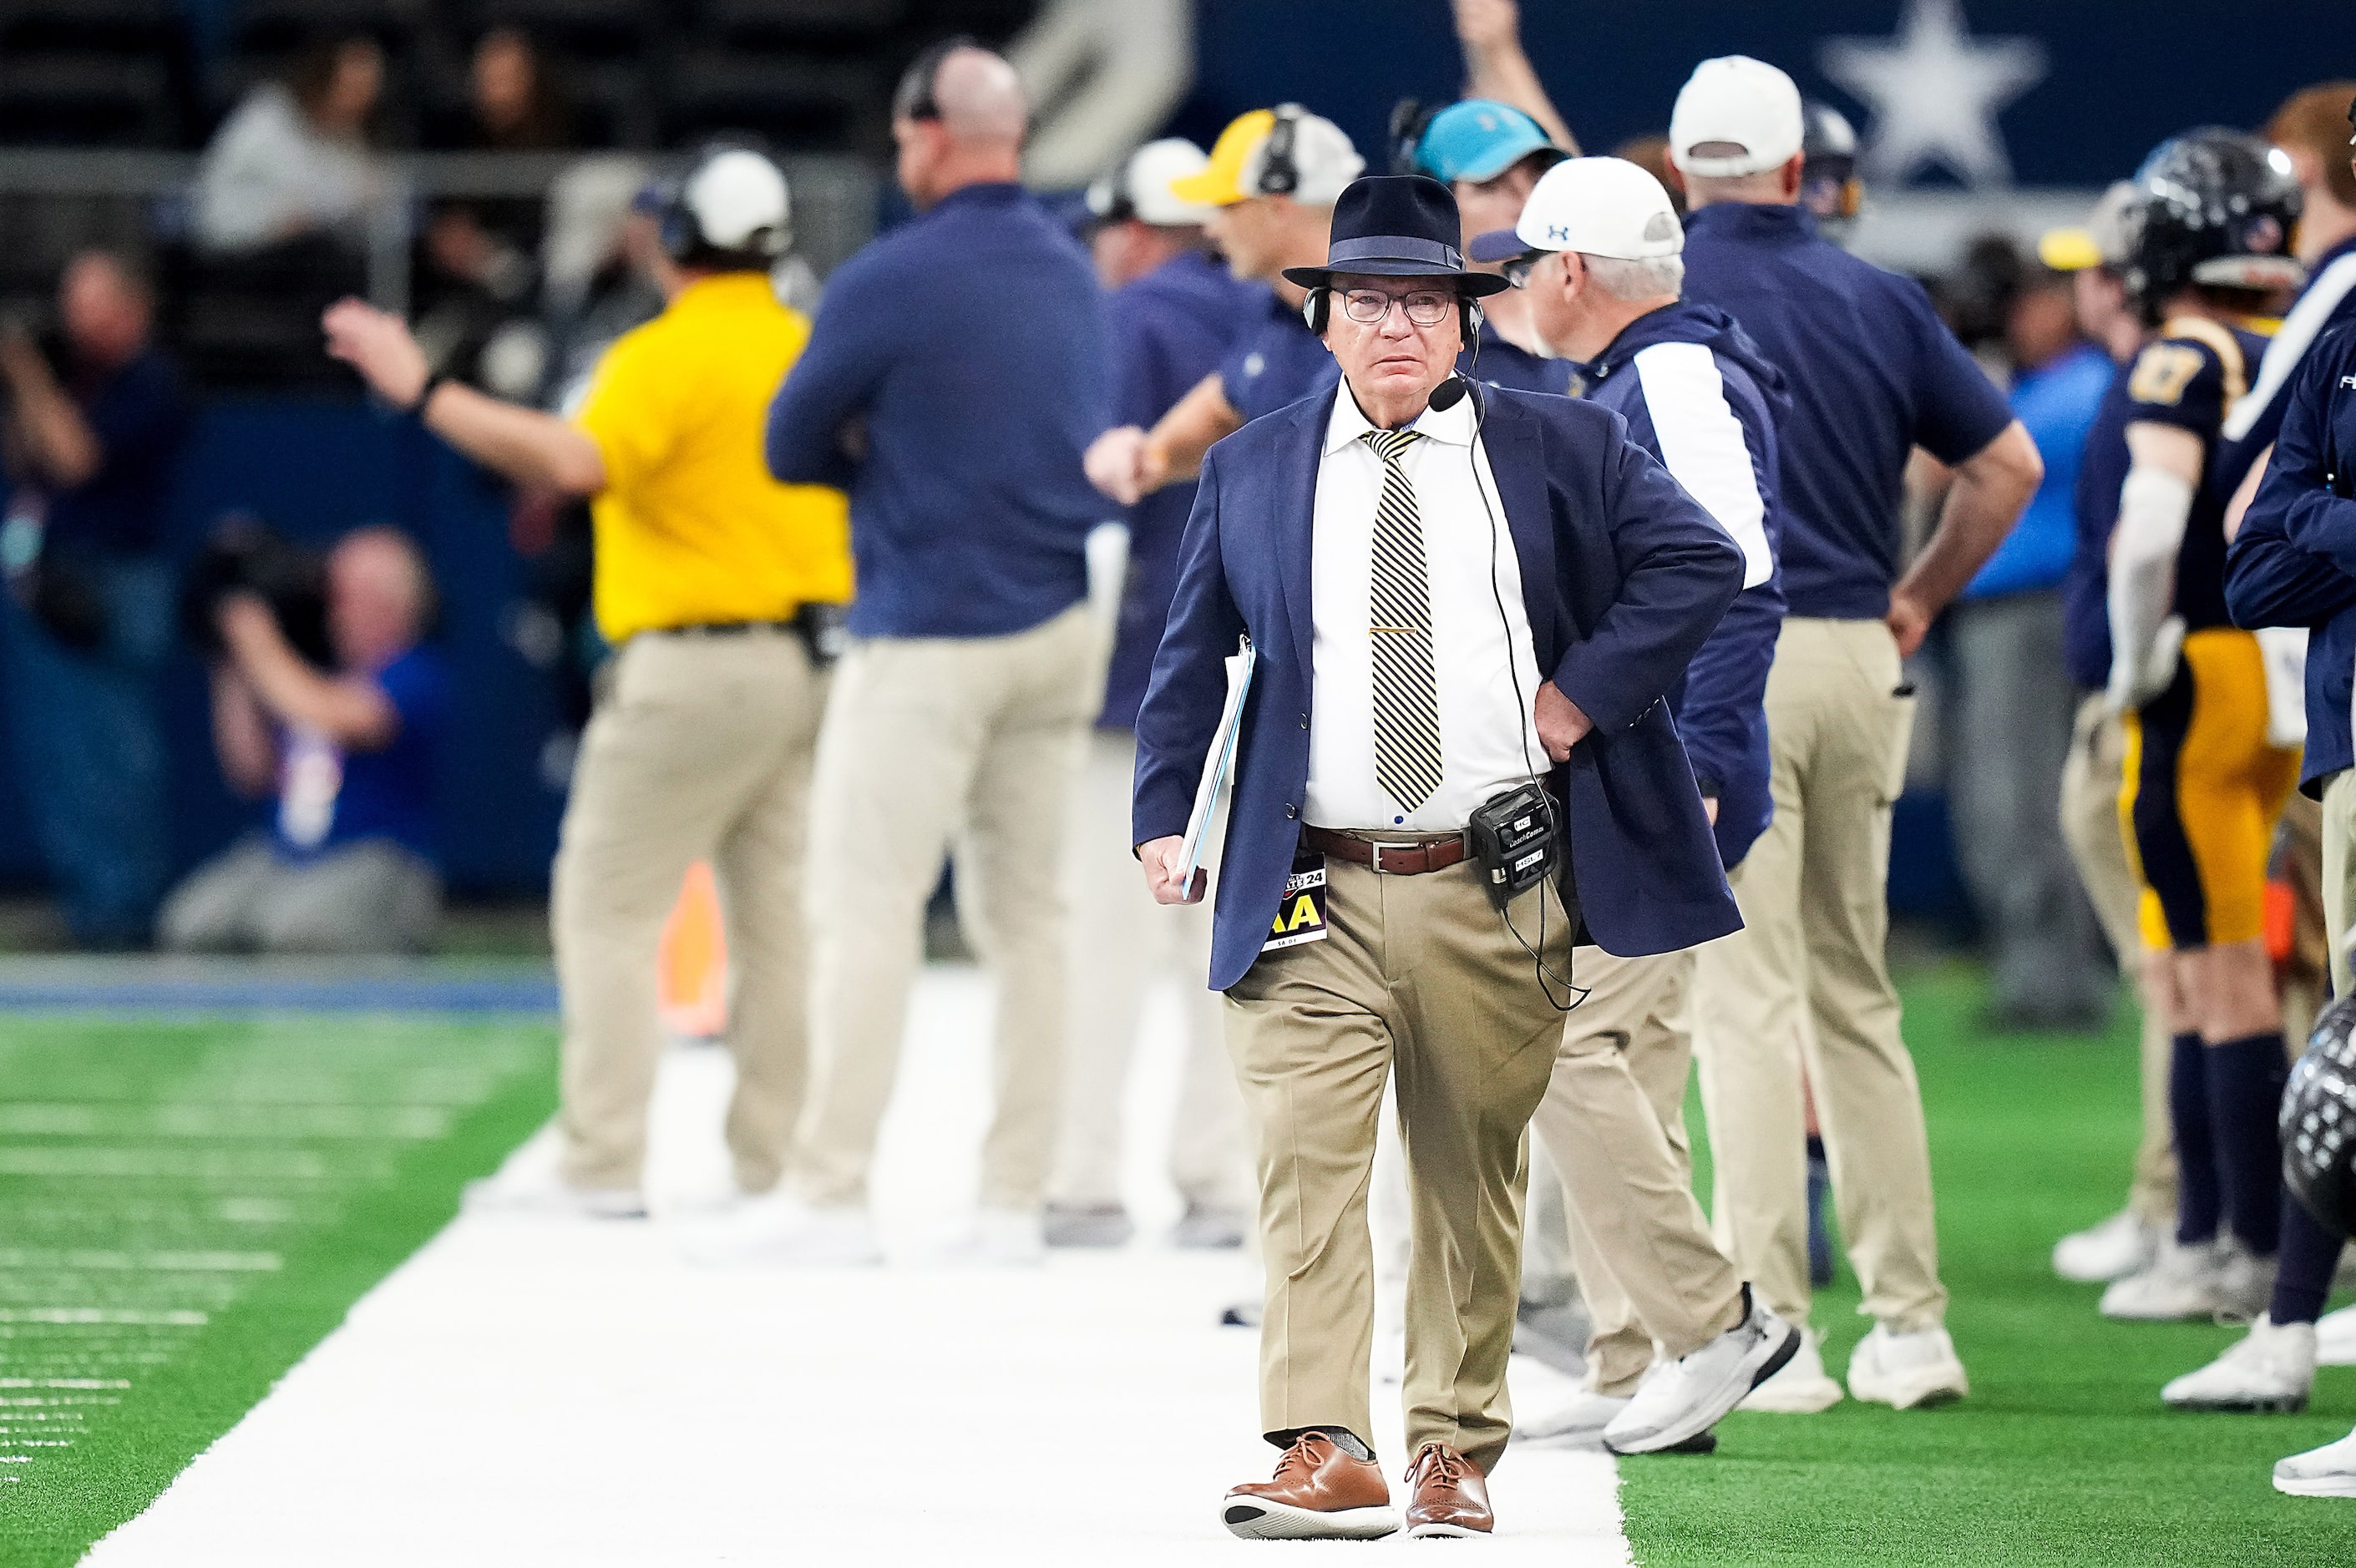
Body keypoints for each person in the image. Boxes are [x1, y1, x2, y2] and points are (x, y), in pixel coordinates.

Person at [1137, 174, 1795, 1540]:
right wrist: (1161, 810)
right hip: (1307, 878)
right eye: (1367, 301)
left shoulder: (1557, 447)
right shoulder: (1252, 464)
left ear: (1464, 322)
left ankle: (1450, 1446)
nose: (1394, 328)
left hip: (1491, 875)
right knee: (1304, 1168)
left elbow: (1705, 558)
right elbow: (1189, 652)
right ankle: (1323, 1441)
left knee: (1465, 1180)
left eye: (1422, 303)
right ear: (1322, 320)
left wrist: (1582, 695)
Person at [322, 145, 851, 1217]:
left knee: (605, 907)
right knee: (777, 924)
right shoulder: (810, 345)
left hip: (695, 662)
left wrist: (425, 390)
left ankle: (603, 1159)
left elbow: (575, 462)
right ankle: (771, 1161)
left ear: (676, 239)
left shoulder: (663, 352)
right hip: (808, 660)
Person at [1666, 55, 2044, 1413]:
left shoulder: (1663, 295)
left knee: (1745, 1000)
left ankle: (1775, 1334)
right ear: (1793, 168)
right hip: (1856, 656)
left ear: (1684, 165)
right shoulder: (1879, 296)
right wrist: (1921, 596)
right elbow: (2008, 468)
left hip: (1721, 664)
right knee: (1855, 997)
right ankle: (1912, 1324)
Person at [727, 42, 1111, 1266]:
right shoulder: (1071, 269)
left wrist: (879, 457)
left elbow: (788, 444)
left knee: (861, 909)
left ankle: (833, 1189)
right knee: (1031, 920)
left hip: (929, 625)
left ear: (931, 136)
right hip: (1058, 625)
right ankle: (1012, 1198)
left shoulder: (892, 275)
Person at [1467, 154, 1793, 1444]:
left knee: (1555, 1034)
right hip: (1655, 756)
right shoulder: (1638, 372)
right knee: (1629, 1055)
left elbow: (1739, 572)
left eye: (1523, 265)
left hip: (1669, 764)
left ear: (1567, 270)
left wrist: (1704, 763)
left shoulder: (1663, 374)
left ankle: (1711, 1321)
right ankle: (1634, 1349)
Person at [2090, 130, 2307, 1328]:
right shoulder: (2299, 340)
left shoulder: (2187, 352)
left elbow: (2151, 525)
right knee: (2230, 967)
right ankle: (2220, 1234)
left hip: (2200, 672)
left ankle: (2230, 1244)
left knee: (2211, 978)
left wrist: (2132, 659)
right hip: (2282, 672)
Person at [1048, 137, 1259, 1252]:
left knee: (1106, 935)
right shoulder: (1279, 320)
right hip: (1260, 663)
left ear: (1132, 228)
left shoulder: (1130, 322)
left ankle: (1085, 1173)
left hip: (1144, 672)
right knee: (1227, 939)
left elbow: (1099, 513)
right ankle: (1216, 1176)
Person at [2041, 185, 2181, 1286]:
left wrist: (2133, 685)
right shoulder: (2159, 376)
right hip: (2172, 697)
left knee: (2181, 972)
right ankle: (2194, 1198)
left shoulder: (2158, 380)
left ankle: (2180, 1201)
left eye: (2095, 267)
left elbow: (2152, 547)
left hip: (2152, 701)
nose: (2082, 287)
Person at [1942, 265, 2117, 1029]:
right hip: (2001, 616)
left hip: (2033, 611)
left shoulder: (2083, 385)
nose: (2021, 318)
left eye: (2035, 302)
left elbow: (1964, 462)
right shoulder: (2033, 387)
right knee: (2007, 800)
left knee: (2024, 799)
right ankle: (2042, 970)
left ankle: (2054, 980)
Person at [0, 250, 188, 948]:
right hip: (53, 581)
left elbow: (77, 461)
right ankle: (89, 902)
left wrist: (26, 372)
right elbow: (31, 464)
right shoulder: (80, 379)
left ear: (133, 306)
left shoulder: (151, 383)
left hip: (115, 586)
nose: (77, 319)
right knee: (61, 755)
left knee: (114, 752)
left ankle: (126, 908)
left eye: (94, 302)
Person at [160, 528, 447, 953]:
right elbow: (251, 772)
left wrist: (257, 639)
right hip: (287, 857)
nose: (334, 609)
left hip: (380, 861)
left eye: (345, 594)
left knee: (297, 930)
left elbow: (346, 718)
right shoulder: (314, 673)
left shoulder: (414, 675)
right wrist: (229, 660)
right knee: (192, 923)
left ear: (390, 602)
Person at [1082, 104, 1363, 507]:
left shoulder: (1384, 318)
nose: (1212, 228)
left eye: (1226, 206)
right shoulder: (1282, 312)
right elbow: (1224, 404)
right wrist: (1152, 456)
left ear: (1277, 207)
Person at [1393, 99, 1572, 394]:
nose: (1528, 203)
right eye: (1490, 186)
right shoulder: (1403, 347)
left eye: (1538, 178)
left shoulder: (1601, 310)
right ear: (1429, 207)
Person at [193, 33, 391, 258]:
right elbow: (211, 214)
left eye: (370, 89)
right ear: (323, 80)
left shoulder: (348, 140)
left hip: (315, 266)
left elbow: (363, 219)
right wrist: (274, 222)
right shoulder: (265, 121)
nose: (364, 100)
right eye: (354, 88)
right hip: (243, 263)